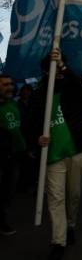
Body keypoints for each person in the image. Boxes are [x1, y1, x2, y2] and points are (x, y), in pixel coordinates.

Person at [35, 48, 82, 260]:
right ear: (45, 72)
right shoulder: (39, 93)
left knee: (73, 194)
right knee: (56, 197)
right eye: (51, 69)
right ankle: (58, 240)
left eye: (59, 68)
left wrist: (62, 66)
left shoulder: (73, 88)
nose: (56, 73)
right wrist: (37, 138)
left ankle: (70, 225)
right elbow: (31, 122)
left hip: (77, 150)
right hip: (52, 155)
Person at [0, 74, 23, 235]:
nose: (10, 87)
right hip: (2, 157)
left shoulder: (13, 104)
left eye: (11, 84)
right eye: (5, 84)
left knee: (8, 192)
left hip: (15, 156)